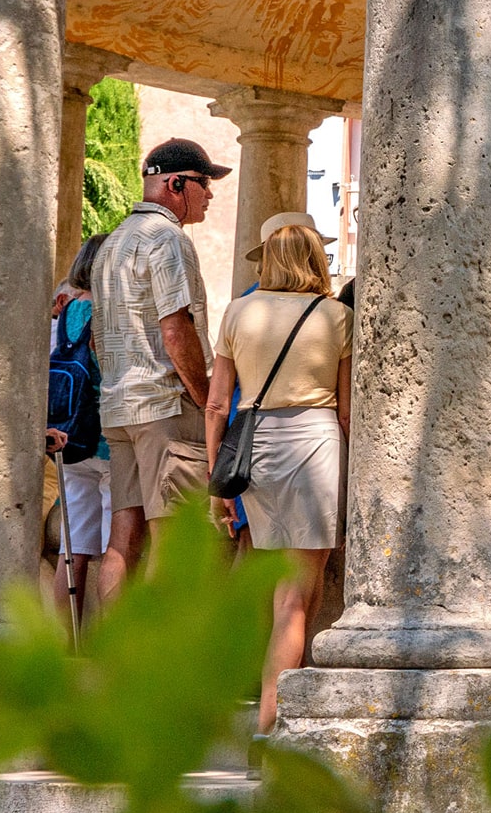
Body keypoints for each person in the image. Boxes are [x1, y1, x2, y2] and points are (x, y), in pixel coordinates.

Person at [207, 212, 351, 734]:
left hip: (256, 443)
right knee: (297, 594)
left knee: (289, 593)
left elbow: (216, 404)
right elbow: (346, 410)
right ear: (315, 258)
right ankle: (270, 728)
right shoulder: (335, 316)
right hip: (313, 441)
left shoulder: (237, 313)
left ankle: (285, 714)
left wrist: (217, 479)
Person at [91, 138, 226, 594]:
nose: (210, 194)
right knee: (174, 545)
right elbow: (176, 330)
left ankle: (112, 661)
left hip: (118, 408)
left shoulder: (111, 243)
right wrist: (207, 402)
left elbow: (95, 333)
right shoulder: (168, 238)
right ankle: (156, 663)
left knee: (121, 543)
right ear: (176, 183)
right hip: (165, 407)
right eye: (205, 184)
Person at [50, 234, 114, 619]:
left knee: (70, 553)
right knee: (114, 548)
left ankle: (63, 646)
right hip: (106, 439)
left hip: (70, 441)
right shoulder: (108, 313)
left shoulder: (66, 314)